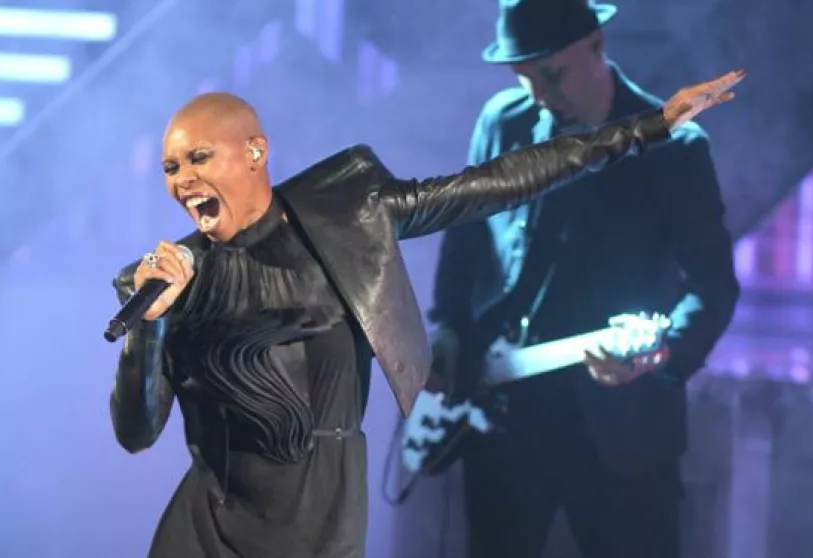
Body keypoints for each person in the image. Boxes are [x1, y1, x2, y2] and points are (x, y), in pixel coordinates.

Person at [108, 67, 742, 558]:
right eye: (170, 167)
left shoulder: (346, 213)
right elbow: (137, 432)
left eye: (199, 158)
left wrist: (647, 127)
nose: (182, 179)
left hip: (319, 521)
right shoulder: (171, 281)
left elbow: (502, 181)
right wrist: (150, 326)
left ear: (254, 152)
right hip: (207, 530)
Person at [424, 1, 743, 557]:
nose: (539, 95)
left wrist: (665, 352)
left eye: (552, 74)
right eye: (524, 77)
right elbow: (464, 240)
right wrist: (449, 326)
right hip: (503, 424)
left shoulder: (675, 148)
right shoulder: (501, 122)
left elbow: (713, 286)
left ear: (597, 44)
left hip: (623, 431)